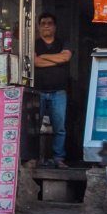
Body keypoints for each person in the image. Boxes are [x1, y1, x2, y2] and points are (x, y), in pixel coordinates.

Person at [33, 12, 72, 168]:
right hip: (38, 91)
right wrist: (56, 59)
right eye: (43, 23)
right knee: (35, 127)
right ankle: (35, 157)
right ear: (39, 27)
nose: (47, 25)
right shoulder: (34, 44)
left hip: (59, 91)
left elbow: (66, 58)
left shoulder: (64, 42)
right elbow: (35, 62)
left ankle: (58, 158)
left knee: (60, 127)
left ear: (55, 26)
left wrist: (44, 56)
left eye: (50, 23)